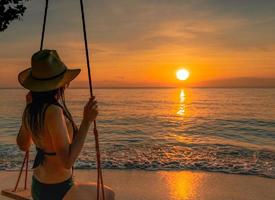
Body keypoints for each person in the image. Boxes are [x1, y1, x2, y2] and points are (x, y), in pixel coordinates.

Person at [16, 49, 115, 200]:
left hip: (38, 185)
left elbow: (23, 145)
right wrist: (86, 120)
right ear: (59, 83)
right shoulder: (53, 111)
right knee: (108, 194)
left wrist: (28, 111)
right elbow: (67, 161)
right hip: (58, 190)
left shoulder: (31, 108)